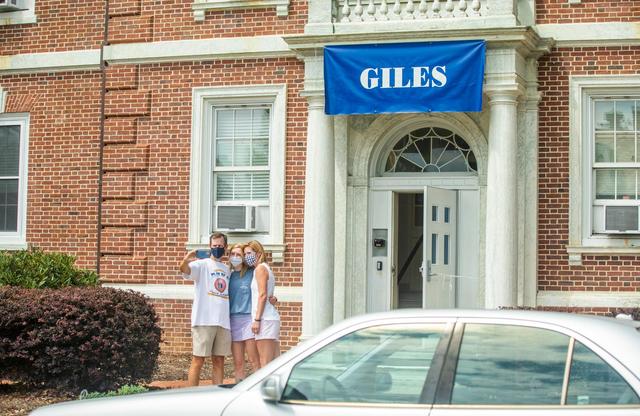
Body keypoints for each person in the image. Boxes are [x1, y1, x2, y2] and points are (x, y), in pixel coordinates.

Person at [179, 232, 231, 386]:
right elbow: (185, 270)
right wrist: (185, 260)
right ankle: (192, 396)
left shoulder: (227, 269)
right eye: (214, 246)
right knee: (198, 359)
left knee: (219, 360)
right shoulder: (201, 265)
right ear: (210, 246)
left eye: (220, 246)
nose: (217, 248)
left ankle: (216, 394)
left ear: (225, 247)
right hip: (204, 320)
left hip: (223, 321)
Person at [245, 240, 280, 368]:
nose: (246, 256)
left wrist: (257, 319)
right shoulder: (265, 268)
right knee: (275, 362)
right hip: (269, 318)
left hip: (265, 319)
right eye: (245, 254)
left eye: (249, 253)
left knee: (265, 363)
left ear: (258, 253)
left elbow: (262, 295)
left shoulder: (260, 269)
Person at [227, 243, 260, 382]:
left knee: (254, 361)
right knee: (238, 363)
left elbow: (263, 289)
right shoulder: (227, 275)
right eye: (232, 254)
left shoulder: (252, 273)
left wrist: (273, 297)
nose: (235, 257)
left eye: (239, 255)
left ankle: (260, 389)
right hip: (233, 320)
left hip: (248, 320)